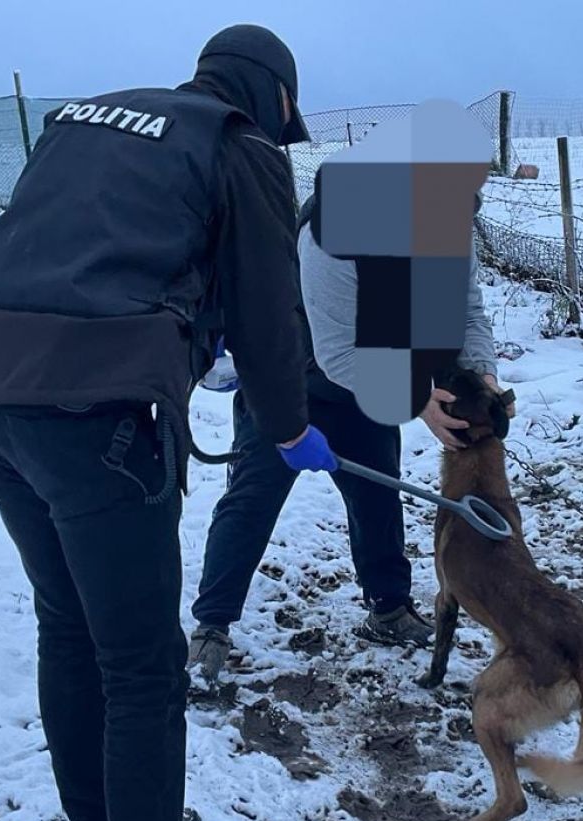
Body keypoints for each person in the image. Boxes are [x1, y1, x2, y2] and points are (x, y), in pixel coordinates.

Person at [0, 25, 335, 821]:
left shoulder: (86, 119)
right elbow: (267, 312)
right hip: (94, 413)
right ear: (275, 96)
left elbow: (72, 248)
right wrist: (290, 429)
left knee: (67, 622)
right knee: (142, 666)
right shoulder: (240, 144)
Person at [187, 188, 514, 687]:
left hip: (374, 376)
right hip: (286, 374)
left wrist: (484, 376)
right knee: (252, 499)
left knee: (377, 492)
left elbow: (466, 313)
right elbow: (336, 352)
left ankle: (388, 608)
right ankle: (211, 625)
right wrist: (418, 398)